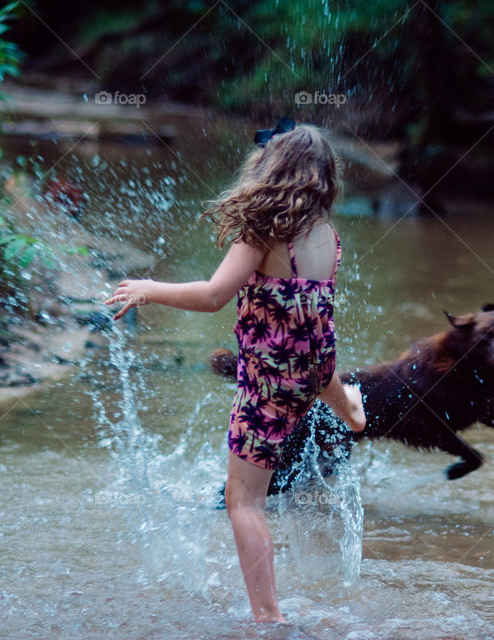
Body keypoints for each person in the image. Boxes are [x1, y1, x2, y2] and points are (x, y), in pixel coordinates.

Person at [105, 119, 365, 623]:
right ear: (324, 178)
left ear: (273, 170)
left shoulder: (263, 231)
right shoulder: (327, 236)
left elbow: (214, 295)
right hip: (314, 366)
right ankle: (348, 404)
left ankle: (269, 617)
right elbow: (307, 311)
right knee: (320, 378)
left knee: (243, 501)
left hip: (269, 382)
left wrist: (148, 288)